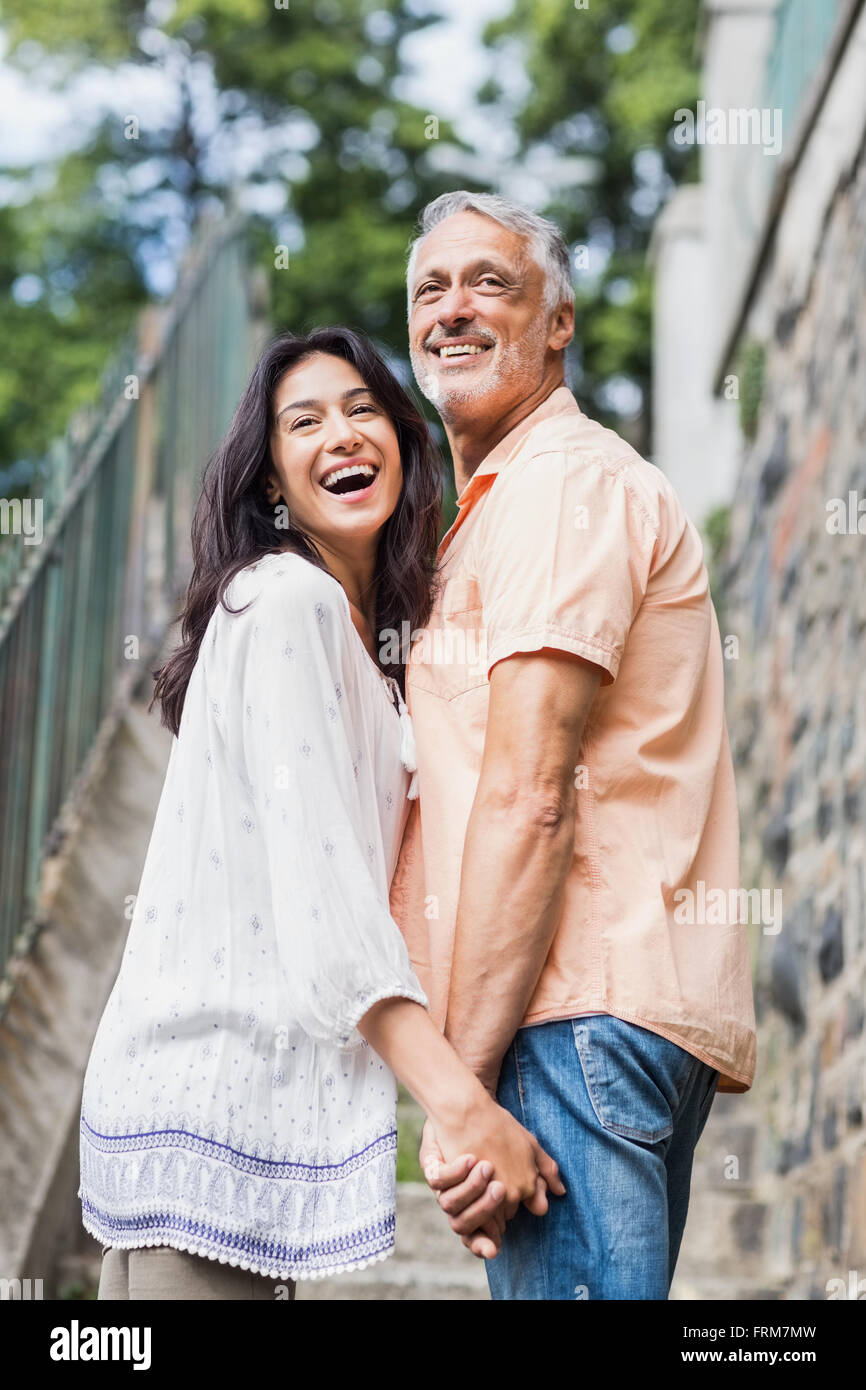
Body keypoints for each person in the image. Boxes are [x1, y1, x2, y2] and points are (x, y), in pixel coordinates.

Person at [78, 326, 562, 1300]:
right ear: (270, 484)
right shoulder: (283, 602)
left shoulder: (372, 661)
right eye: (303, 422)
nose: (340, 434)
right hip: (208, 1122)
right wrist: (458, 1107)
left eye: (361, 410)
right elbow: (325, 897)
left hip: (244, 1138)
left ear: (400, 440)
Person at [389, 191, 758, 1300]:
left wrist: (463, 1082)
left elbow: (529, 794)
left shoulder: (557, 485)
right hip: (593, 1016)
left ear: (557, 322)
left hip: (567, 1019)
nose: (451, 310)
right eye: (428, 290)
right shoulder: (498, 506)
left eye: (489, 283)